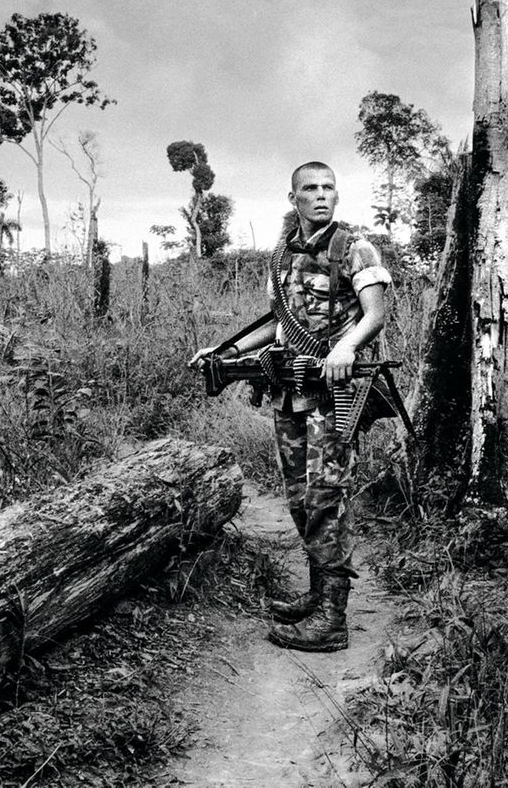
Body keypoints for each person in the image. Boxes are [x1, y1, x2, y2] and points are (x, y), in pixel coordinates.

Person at [189, 161, 391, 652]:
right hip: (289, 391)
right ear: (293, 197)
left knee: (327, 498)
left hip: (335, 393)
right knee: (300, 500)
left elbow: (377, 312)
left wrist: (346, 349)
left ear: (337, 195)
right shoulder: (281, 256)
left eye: (328, 188)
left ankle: (332, 620)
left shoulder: (354, 246)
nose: (321, 196)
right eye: (310, 189)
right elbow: (277, 321)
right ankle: (319, 596)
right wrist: (228, 351)